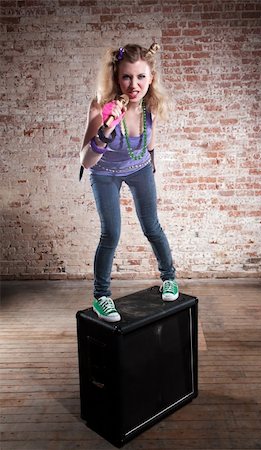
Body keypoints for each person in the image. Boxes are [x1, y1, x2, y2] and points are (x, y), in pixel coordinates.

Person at [80, 43, 179, 323]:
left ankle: (169, 278)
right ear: (116, 77)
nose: (134, 84)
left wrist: (152, 165)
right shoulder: (100, 105)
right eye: (126, 77)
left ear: (151, 79)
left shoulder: (151, 106)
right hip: (104, 173)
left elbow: (150, 142)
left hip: (140, 170)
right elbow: (86, 160)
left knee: (152, 226)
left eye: (140, 77)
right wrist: (106, 130)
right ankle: (101, 297)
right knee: (111, 233)